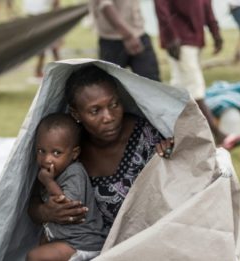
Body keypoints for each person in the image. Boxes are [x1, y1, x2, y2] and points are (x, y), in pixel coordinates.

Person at [28, 65, 174, 243]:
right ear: (76, 114)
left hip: (152, 244)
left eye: (113, 104)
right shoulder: (66, 150)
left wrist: (175, 152)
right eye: (95, 111)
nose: (109, 117)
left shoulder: (147, 136)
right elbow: (34, 200)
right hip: (90, 249)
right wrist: (47, 212)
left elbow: (178, 187)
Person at [153, 0, 240, 150]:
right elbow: (161, 8)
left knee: (180, 89)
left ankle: (176, 138)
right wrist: (171, 36)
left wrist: (216, 33)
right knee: (194, 89)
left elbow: (207, 7)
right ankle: (218, 135)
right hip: (179, 41)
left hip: (195, 39)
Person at [27, 113, 107, 261]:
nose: (47, 159)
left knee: (34, 257)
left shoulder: (74, 173)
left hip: (83, 243)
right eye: (41, 151)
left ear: (74, 153)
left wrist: (48, 182)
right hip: (64, 238)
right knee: (40, 246)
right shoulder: (49, 172)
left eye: (56, 153)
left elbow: (66, 206)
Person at [88, 0, 160, 81]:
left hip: (138, 33)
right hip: (112, 40)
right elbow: (105, 5)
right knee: (112, 85)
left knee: (151, 83)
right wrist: (128, 36)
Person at [23, 0, 61, 79]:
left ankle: (59, 70)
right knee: (51, 48)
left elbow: (56, 4)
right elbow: (56, 4)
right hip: (44, 18)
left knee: (51, 48)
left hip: (41, 17)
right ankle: (60, 70)